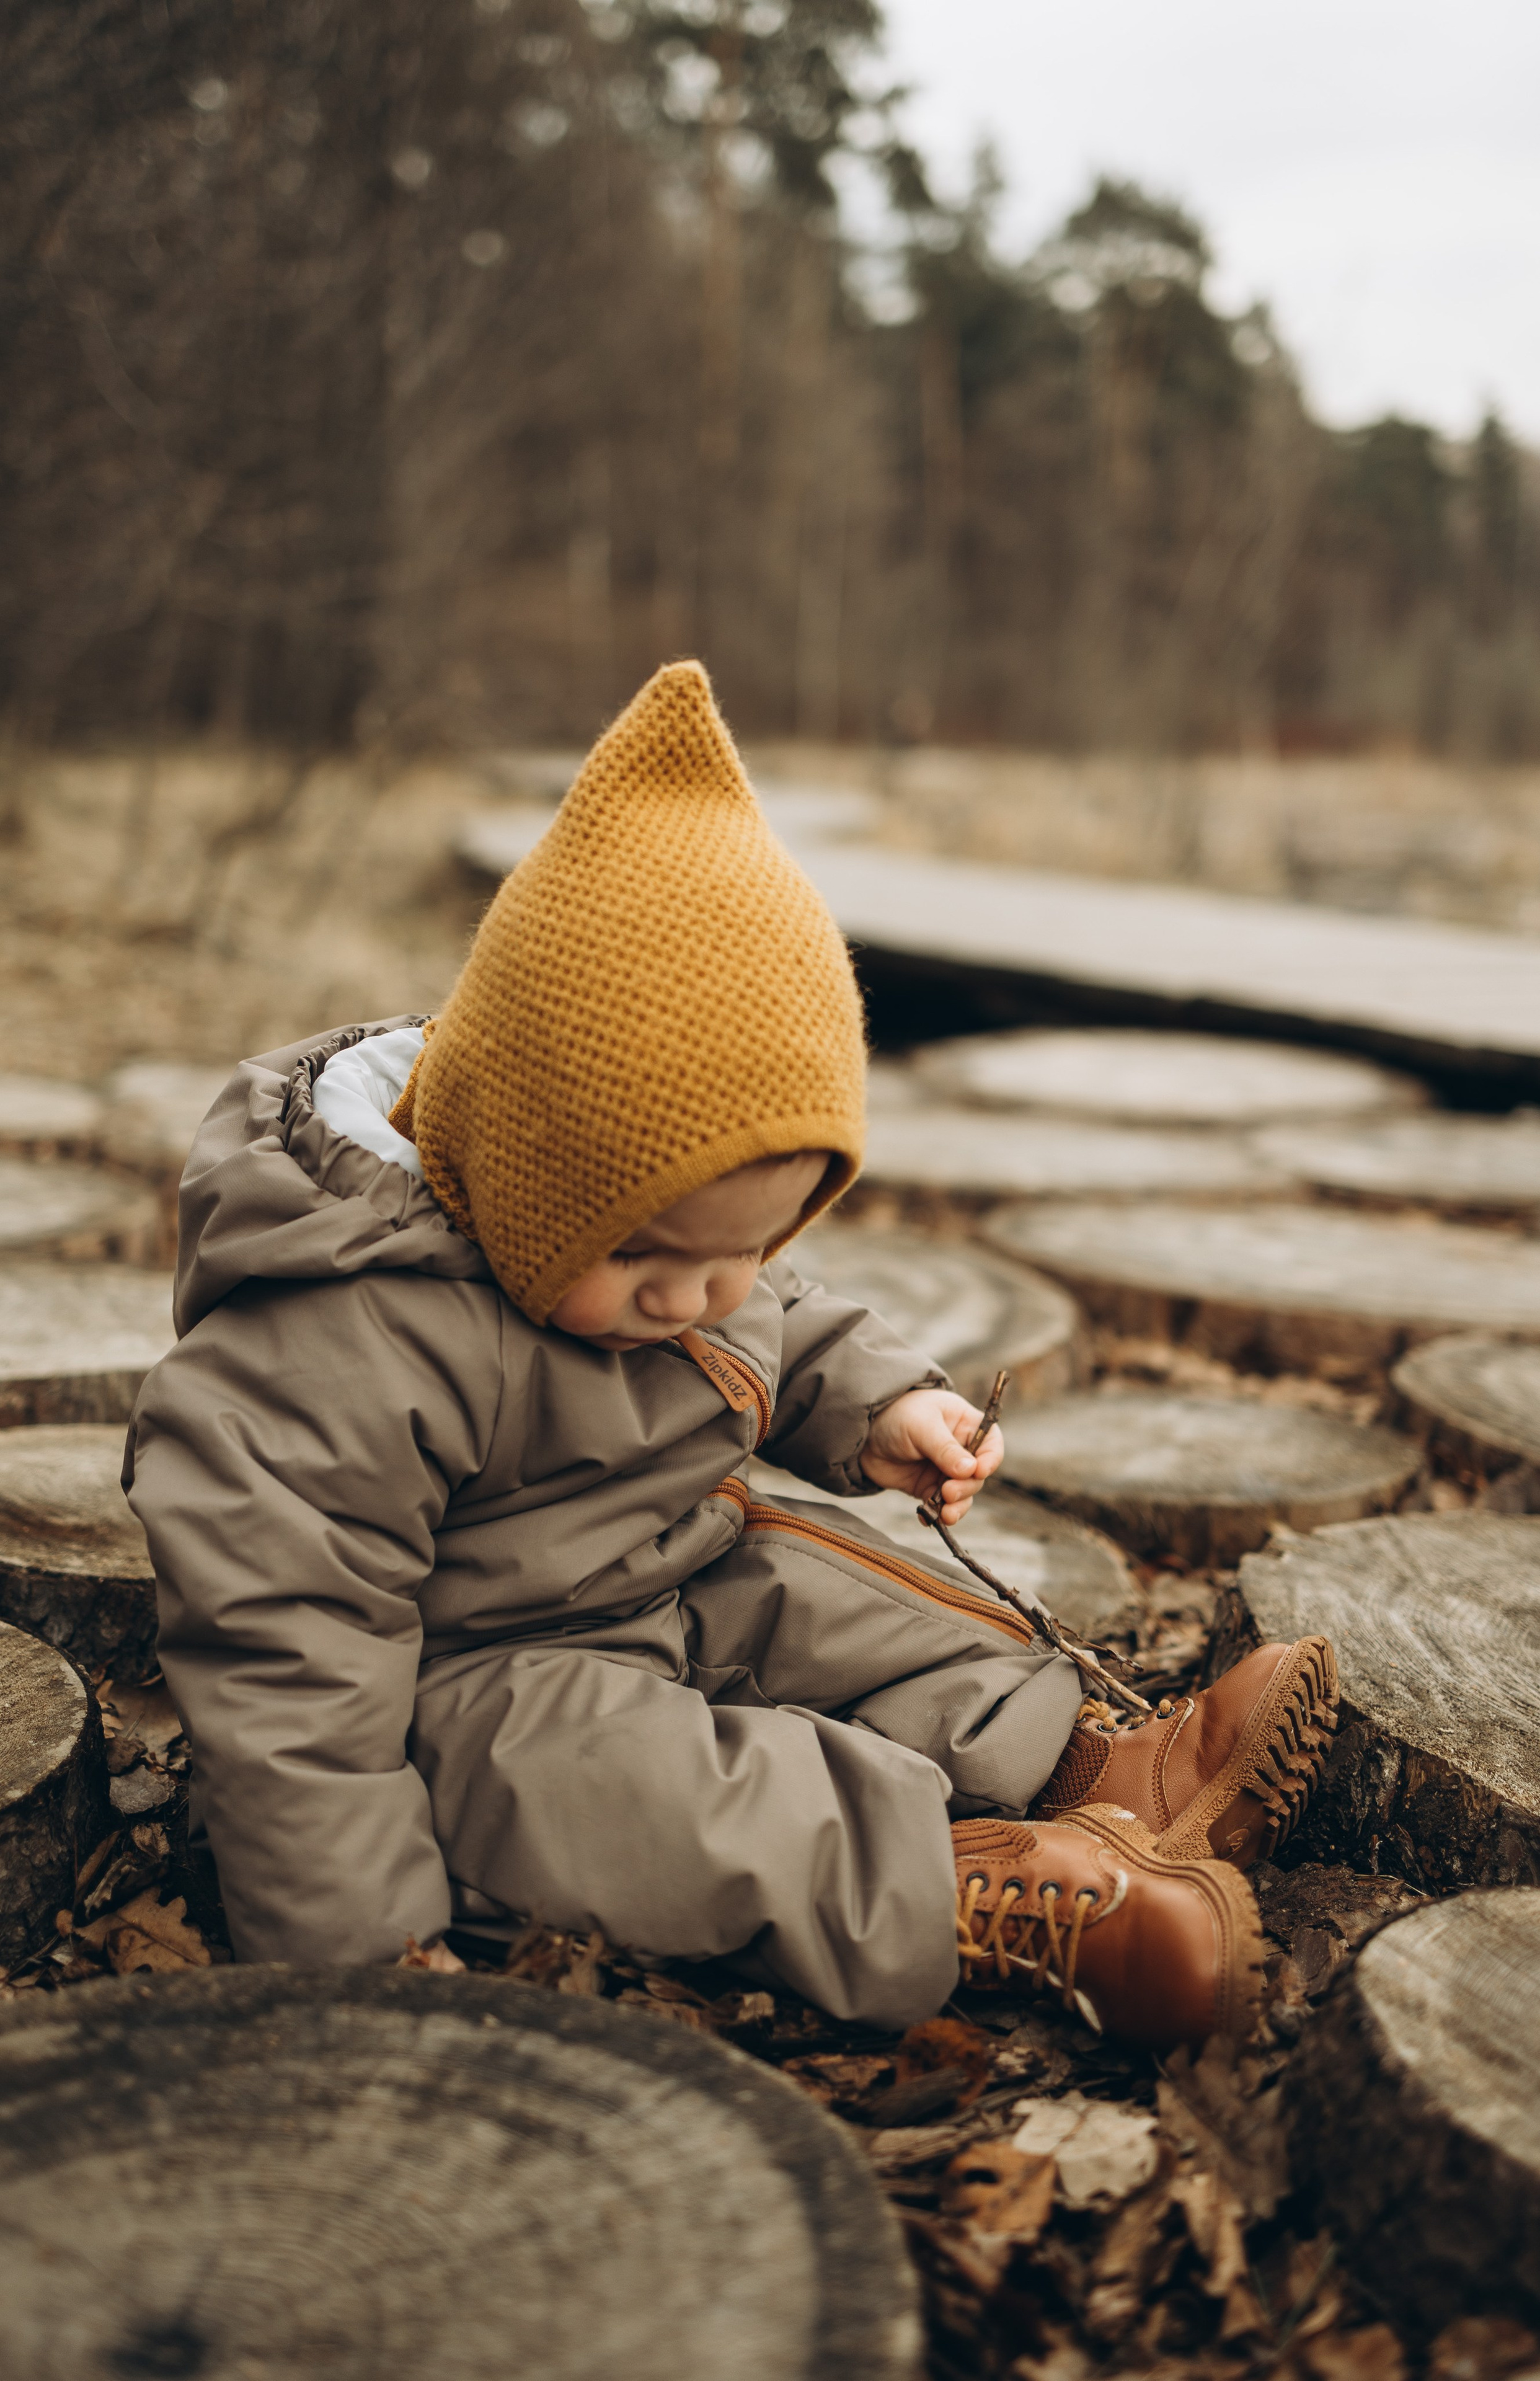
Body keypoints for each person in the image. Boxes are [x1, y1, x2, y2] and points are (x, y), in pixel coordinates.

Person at [125, 662, 1336, 2047]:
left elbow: (778, 1316)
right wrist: (359, 1954)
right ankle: (973, 1899)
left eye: (750, 1245)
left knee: (841, 1591)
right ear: (518, 1171)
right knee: (665, 1794)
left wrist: (882, 1405)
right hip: (462, 1684)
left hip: (669, 1569)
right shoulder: (327, 1345)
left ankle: (1097, 1773)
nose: (701, 1296)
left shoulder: (673, 1262)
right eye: (651, 1258)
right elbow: (287, 1672)